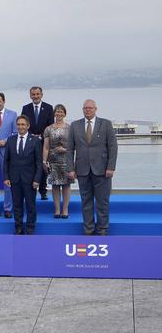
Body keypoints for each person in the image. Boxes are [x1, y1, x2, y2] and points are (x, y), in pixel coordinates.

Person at [67, 100, 118, 236]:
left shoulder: (106, 124)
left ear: (96, 109)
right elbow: (70, 149)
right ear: (82, 110)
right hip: (82, 170)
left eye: (90, 108)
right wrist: (70, 169)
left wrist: (111, 167)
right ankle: (88, 229)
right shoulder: (75, 125)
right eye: (85, 108)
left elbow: (113, 147)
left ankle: (102, 229)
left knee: (102, 202)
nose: (88, 110)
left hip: (102, 170)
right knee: (86, 202)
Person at [3, 115, 43, 235]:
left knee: (31, 206)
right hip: (14, 179)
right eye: (19, 124)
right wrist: (6, 177)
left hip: (30, 180)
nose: (20, 127)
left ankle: (30, 228)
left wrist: (37, 179)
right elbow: (6, 161)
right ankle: (18, 228)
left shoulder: (35, 140)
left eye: (23, 124)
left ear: (28, 126)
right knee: (17, 205)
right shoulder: (11, 140)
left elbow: (38, 162)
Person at [21, 86, 54, 200]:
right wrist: (31, 136)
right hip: (29, 142)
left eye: (37, 94)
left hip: (44, 142)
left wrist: (40, 136)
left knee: (43, 166)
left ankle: (43, 191)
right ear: (30, 95)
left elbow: (50, 125)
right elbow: (23, 123)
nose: (35, 96)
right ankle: (32, 191)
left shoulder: (49, 108)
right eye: (33, 94)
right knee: (31, 167)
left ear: (41, 94)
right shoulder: (26, 108)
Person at [43, 104, 74, 218]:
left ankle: (65, 210)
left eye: (61, 111)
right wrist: (44, 161)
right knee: (55, 186)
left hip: (66, 160)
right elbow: (46, 147)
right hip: (53, 160)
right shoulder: (48, 129)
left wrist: (64, 149)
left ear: (65, 113)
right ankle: (56, 210)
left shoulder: (70, 128)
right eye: (57, 111)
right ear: (54, 113)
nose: (59, 113)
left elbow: (74, 146)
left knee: (66, 185)